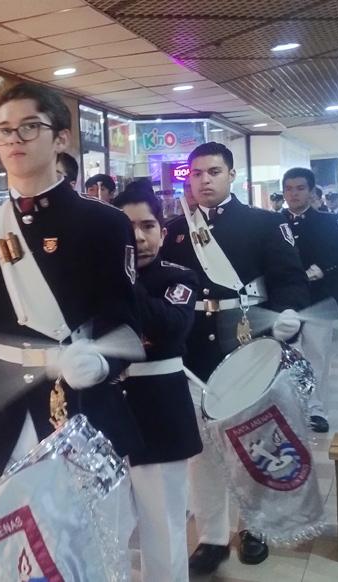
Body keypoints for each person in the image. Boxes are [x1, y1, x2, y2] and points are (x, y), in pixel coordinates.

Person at [0, 82, 142, 531]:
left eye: (29, 127)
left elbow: (125, 319)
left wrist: (103, 361)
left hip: (78, 401)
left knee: (81, 542)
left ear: (61, 138)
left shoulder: (104, 222)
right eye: (4, 130)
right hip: (1, 410)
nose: (14, 139)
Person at [160, 142, 310, 574]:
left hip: (247, 343)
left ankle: (255, 526)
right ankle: (211, 536)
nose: (204, 180)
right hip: (194, 349)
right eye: (196, 173)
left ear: (231, 176)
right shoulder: (175, 230)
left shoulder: (264, 223)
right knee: (202, 449)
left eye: (213, 171)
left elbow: (290, 280)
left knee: (253, 438)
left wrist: (288, 314)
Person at [113, 180, 203, 582]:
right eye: (128, 227)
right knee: (107, 524)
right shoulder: (93, 280)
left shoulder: (179, 278)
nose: (139, 237)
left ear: (163, 232)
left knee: (163, 523)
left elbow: (170, 327)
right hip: (107, 410)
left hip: (161, 410)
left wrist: (123, 278)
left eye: (148, 226)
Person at [281, 168, 338, 433]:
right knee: (288, 356)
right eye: (289, 188)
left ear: (311, 192)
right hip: (285, 300)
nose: (294, 194)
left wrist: (324, 268)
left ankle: (316, 409)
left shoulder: (329, 222)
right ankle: (290, 408)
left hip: (319, 299)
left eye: (300, 188)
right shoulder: (273, 223)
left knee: (317, 354)